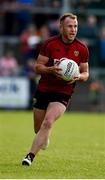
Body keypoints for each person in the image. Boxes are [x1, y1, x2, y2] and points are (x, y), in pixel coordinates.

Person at [22, 13, 89, 166]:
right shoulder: (49, 44)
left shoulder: (82, 48)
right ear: (61, 27)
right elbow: (37, 67)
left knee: (48, 122)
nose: (73, 30)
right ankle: (44, 139)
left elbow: (85, 73)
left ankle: (29, 156)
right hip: (44, 89)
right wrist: (50, 70)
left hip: (63, 92)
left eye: (75, 26)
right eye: (70, 26)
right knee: (38, 129)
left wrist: (77, 76)